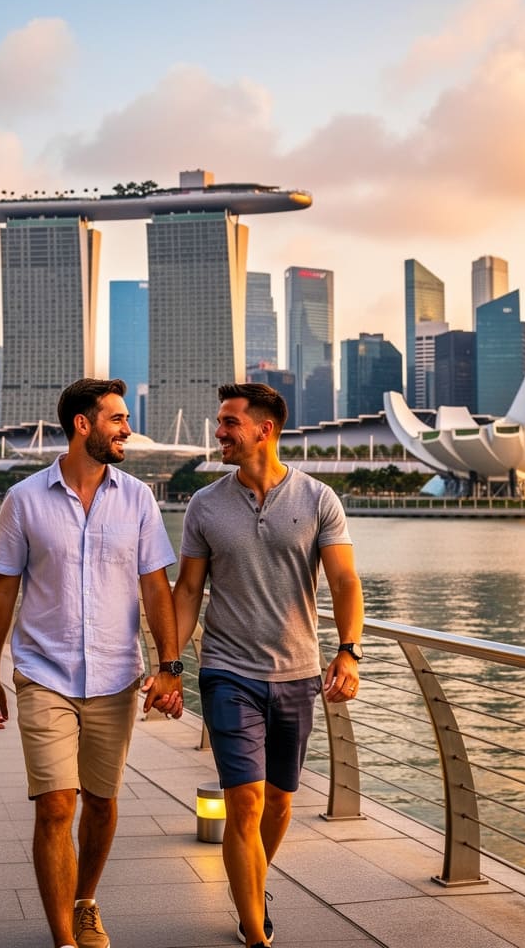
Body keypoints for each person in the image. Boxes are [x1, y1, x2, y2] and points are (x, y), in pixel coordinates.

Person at [0, 378, 184, 948]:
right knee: (55, 805)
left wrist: (171, 665)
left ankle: (85, 899)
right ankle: (65, 939)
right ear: (82, 426)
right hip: (44, 673)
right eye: (118, 419)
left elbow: (154, 585)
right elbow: (2, 589)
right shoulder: (24, 499)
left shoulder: (137, 498)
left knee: (101, 801)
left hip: (117, 676)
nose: (128, 429)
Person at [172, 383, 365, 948]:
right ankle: (255, 931)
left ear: (265, 430)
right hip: (228, 671)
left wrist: (348, 651)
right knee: (246, 800)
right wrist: (168, 664)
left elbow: (346, 580)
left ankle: (252, 883)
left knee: (280, 802)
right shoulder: (205, 505)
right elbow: (187, 591)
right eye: (220, 421)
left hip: (297, 673)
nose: (219, 432)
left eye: (230, 422)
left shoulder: (318, 500)